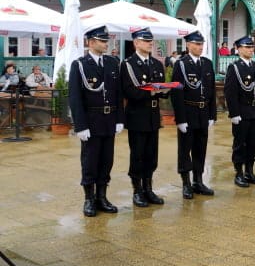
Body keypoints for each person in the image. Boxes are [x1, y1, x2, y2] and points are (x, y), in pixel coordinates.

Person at [68, 26, 124, 217]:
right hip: (91, 121)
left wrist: (119, 119)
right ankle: (89, 199)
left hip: (109, 120)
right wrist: (80, 126)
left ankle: (102, 197)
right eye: (101, 41)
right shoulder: (80, 65)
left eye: (105, 40)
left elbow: (117, 93)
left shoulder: (111, 63)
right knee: (90, 160)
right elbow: (75, 98)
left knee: (106, 160)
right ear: (90, 42)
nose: (105, 43)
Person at [121, 27, 172, 207]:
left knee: (151, 156)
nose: (150, 43)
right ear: (136, 43)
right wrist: (152, 92)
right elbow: (130, 92)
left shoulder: (157, 64)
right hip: (137, 116)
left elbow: (159, 89)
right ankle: (137, 190)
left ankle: (149, 188)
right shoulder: (128, 64)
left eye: (151, 40)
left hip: (152, 116)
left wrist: (166, 90)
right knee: (138, 155)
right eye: (146, 40)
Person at [170, 31, 216, 199]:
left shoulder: (207, 63)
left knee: (200, 148)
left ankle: (198, 180)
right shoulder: (181, 64)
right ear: (188, 45)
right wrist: (180, 119)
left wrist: (212, 114)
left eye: (201, 44)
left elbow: (210, 90)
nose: (200, 47)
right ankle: (186, 183)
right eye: (196, 44)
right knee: (185, 149)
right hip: (188, 112)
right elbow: (177, 93)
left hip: (203, 112)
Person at [224, 36, 255, 186]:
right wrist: (233, 113)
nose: (250, 49)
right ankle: (239, 173)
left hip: (254, 110)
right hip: (241, 111)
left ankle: (249, 171)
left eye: (252, 47)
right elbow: (230, 92)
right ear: (239, 49)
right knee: (240, 143)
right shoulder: (234, 67)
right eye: (247, 47)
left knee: (253, 143)